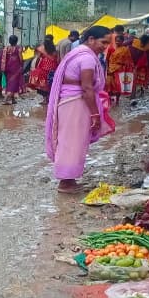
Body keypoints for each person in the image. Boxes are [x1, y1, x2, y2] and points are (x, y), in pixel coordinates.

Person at [44, 26, 114, 195]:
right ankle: (66, 183)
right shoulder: (87, 59)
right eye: (103, 42)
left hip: (70, 102)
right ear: (91, 39)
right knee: (73, 142)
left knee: (70, 141)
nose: (105, 46)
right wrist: (95, 114)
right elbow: (87, 88)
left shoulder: (80, 54)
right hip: (76, 103)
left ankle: (69, 179)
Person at [27, 36, 58, 101]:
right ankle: (48, 97)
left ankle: (45, 98)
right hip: (53, 68)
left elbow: (37, 58)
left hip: (43, 67)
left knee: (40, 83)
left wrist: (34, 68)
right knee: (50, 82)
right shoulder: (55, 48)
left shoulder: (41, 48)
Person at [106, 35, 134, 106]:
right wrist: (107, 68)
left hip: (120, 69)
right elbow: (107, 59)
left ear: (122, 41)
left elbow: (129, 60)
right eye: (116, 40)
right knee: (109, 85)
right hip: (111, 69)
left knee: (118, 85)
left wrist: (129, 69)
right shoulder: (111, 48)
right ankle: (109, 99)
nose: (117, 42)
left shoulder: (125, 49)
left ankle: (117, 101)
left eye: (119, 40)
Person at [0, 34, 24, 105]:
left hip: (7, 68)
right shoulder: (18, 48)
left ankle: (13, 99)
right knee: (12, 84)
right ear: (16, 41)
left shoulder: (6, 48)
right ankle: (5, 99)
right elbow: (21, 58)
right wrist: (22, 64)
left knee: (11, 83)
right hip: (15, 69)